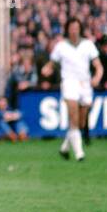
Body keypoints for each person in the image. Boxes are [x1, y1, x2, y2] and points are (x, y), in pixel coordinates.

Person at [40, 18, 102, 161]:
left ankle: (65, 148)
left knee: (80, 122)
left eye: (76, 27)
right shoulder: (61, 46)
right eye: (71, 28)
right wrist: (46, 70)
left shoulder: (88, 45)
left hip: (85, 84)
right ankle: (80, 154)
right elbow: (52, 64)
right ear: (68, 29)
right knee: (73, 116)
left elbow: (98, 66)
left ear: (80, 29)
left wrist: (97, 77)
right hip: (69, 83)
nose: (74, 30)